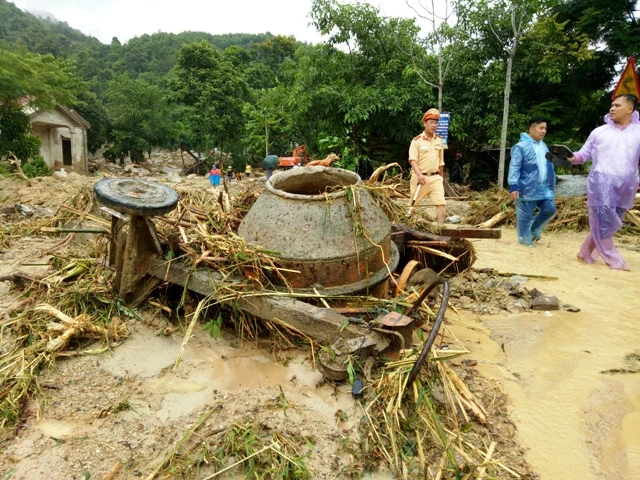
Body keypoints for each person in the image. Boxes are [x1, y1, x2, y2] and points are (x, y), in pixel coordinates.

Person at [568, 94, 640, 271]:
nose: (612, 108)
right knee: (604, 221)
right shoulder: (599, 132)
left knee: (609, 225)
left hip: (628, 185)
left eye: (617, 105)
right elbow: (583, 155)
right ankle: (615, 262)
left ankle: (585, 253)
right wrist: (571, 156)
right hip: (601, 183)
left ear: (630, 109)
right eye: (612, 105)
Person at [508, 118, 556, 247]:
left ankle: (534, 230)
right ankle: (525, 240)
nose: (544, 131)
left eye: (545, 128)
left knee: (550, 209)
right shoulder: (520, 147)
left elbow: (548, 167)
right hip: (526, 188)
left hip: (543, 188)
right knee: (525, 216)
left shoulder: (543, 146)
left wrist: (550, 186)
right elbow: (514, 166)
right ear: (531, 129)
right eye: (541, 128)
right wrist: (513, 186)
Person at [408, 108, 446, 226]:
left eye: (436, 123)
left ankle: (441, 229)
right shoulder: (417, 141)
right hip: (420, 178)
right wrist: (419, 174)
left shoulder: (439, 140)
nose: (434, 125)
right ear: (425, 123)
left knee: (441, 203)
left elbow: (441, 162)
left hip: (435, 178)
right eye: (431, 122)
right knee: (413, 205)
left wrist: (441, 177)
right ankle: (406, 226)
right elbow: (412, 159)